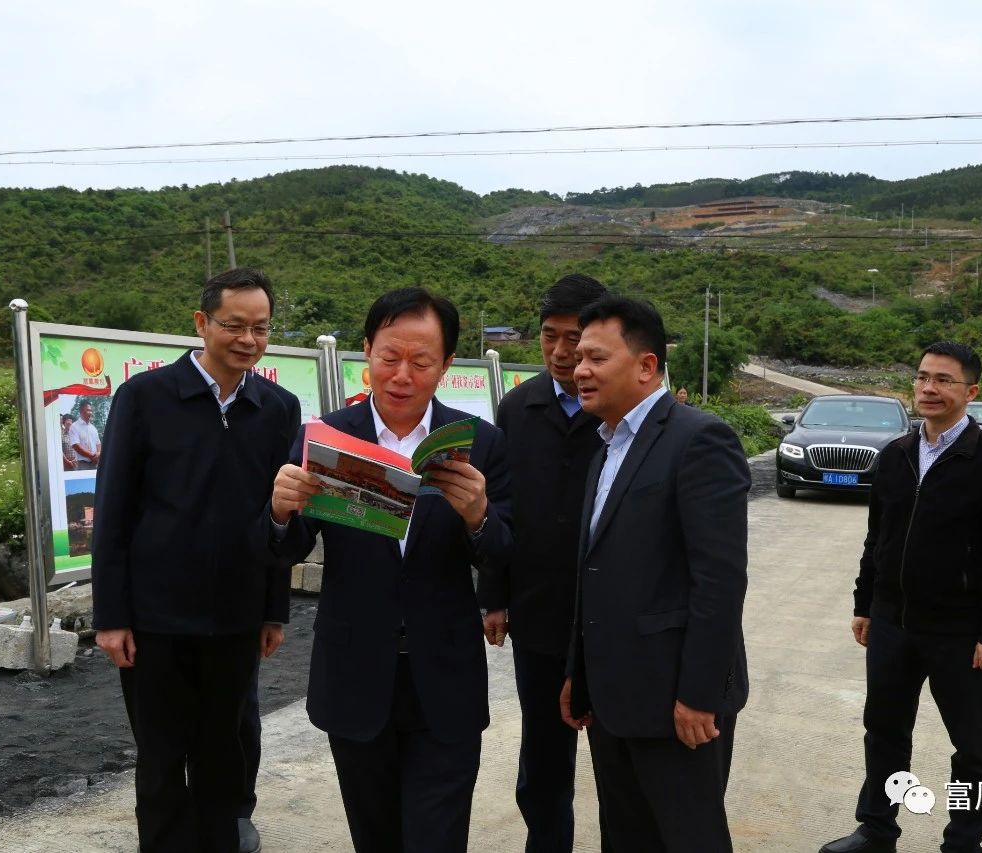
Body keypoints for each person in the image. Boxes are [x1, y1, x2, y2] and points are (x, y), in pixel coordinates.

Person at [268, 287, 512, 852]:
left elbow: (505, 554)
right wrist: (279, 512)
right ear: (367, 351)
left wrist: (479, 516)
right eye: (389, 357)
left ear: (447, 365)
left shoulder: (480, 444)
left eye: (421, 362)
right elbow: (284, 551)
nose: (402, 375)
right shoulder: (325, 438)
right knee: (374, 836)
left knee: (437, 839)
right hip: (355, 674)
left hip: (445, 678)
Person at [92, 267, 301, 853]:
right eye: (234, 325)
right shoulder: (145, 397)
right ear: (201, 323)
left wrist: (274, 610)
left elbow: (281, 515)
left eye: (260, 328)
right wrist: (111, 617)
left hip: (236, 616)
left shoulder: (277, 408)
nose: (248, 340)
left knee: (223, 754)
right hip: (154, 618)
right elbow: (113, 511)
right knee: (160, 758)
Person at [819, 341, 982, 853]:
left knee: (972, 745)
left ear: (971, 392)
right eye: (922, 377)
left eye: (943, 380)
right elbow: (878, 538)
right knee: (884, 731)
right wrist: (865, 604)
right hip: (893, 623)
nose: (929, 388)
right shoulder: (895, 455)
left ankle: (964, 843)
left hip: (960, 631)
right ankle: (876, 830)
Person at [561, 296, 749, 853]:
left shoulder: (699, 439)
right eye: (579, 357)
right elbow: (596, 572)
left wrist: (699, 694)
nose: (579, 369)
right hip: (614, 697)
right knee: (625, 837)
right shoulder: (605, 447)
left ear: (647, 366)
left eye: (596, 358)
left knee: (689, 838)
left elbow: (719, 581)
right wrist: (579, 672)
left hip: (678, 702)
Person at [477, 273, 607, 852]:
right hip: (539, 612)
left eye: (574, 338)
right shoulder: (517, 408)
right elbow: (498, 509)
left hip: (610, 615)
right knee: (544, 758)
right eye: (549, 336)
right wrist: (494, 595)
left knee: (619, 756)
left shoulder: (621, 409)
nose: (560, 352)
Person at [68, 401, 101, 470]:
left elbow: (98, 444)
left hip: (95, 463)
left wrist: (98, 454)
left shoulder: (93, 428)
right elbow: (76, 446)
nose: (91, 413)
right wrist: (92, 456)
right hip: (82, 464)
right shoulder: (74, 427)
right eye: (88, 410)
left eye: (91, 410)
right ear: (81, 411)